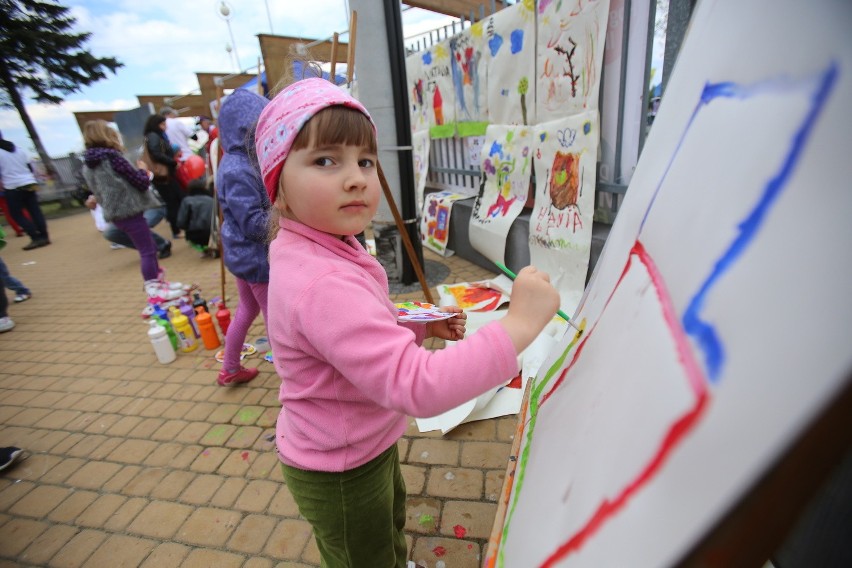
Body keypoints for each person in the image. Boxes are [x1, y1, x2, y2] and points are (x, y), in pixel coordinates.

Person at [255, 78, 561, 567]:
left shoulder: (320, 243)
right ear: (279, 187)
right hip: (340, 470)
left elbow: (355, 325)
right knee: (365, 553)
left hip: (362, 444)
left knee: (388, 526)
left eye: (365, 160)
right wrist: (520, 323)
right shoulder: (320, 280)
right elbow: (417, 385)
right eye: (325, 160)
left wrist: (416, 326)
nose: (355, 177)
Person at [81, 120, 183, 305]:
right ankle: (154, 288)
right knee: (148, 249)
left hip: (115, 212)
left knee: (147, 247)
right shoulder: (113, 158)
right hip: (130, 209)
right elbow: (140, 182)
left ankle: (158, 283)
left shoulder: (89, 164)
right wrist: (145, 172)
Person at [215, 89, 270, 387]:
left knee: (247, 310)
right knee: (277, 324)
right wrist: (285, 217)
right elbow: (252, 223)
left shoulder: (242, 161)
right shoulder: (239, 167)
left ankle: (230, 367)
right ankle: (297, 383)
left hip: (242, 257)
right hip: (256, 261)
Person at [0, 131, 50, 250]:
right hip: (29, 182)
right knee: (35, 210)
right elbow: (29, 167)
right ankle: (44, 236)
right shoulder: (18, 149)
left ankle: (35, 237)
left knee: (16, 213)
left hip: (13, 186)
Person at [85, 193, 172, 258]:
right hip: (130, 210)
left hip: (153, 204)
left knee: (138, 226)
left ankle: (161, 245)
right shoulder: (98, 175)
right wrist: (95, 203)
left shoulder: (125, 171)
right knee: (110, 233)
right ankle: (151, 248)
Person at [143, 114, 184, 239]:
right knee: (172, 201)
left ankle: (178, 227)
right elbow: (156, 154)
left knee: (176, 199)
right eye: (163, 124)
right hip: (163, 176)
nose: (165, 127)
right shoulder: (154, 137)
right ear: (157, 125)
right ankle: (176, 229)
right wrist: (172, 162)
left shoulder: (152, 136)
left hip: (164, 175)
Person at [177, 179, 215, 253]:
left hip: (194, 235)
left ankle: (202, 249)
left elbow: (181, 222)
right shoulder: (211, 200)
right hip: (212, 233)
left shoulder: (186, 201)